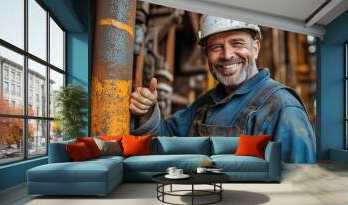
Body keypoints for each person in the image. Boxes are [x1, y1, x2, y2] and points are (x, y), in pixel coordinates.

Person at [129, 15, 316, 163]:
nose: (227, 55)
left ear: (256, 48)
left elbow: (299, 186)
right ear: (206, 55)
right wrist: (147, 110)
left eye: (237, 43)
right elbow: (164, 139)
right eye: (216, 47)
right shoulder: (206, 104)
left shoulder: (283, 108)